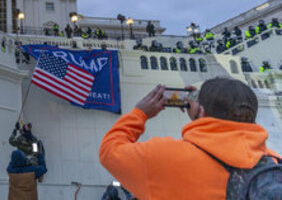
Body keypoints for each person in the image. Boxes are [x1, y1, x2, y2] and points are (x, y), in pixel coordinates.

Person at [99, 78, 281, 200]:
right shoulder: (273, 160)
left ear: (200, 111)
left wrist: (140, 113)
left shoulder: (166, 156)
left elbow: (110, 150)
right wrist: (202, 117)